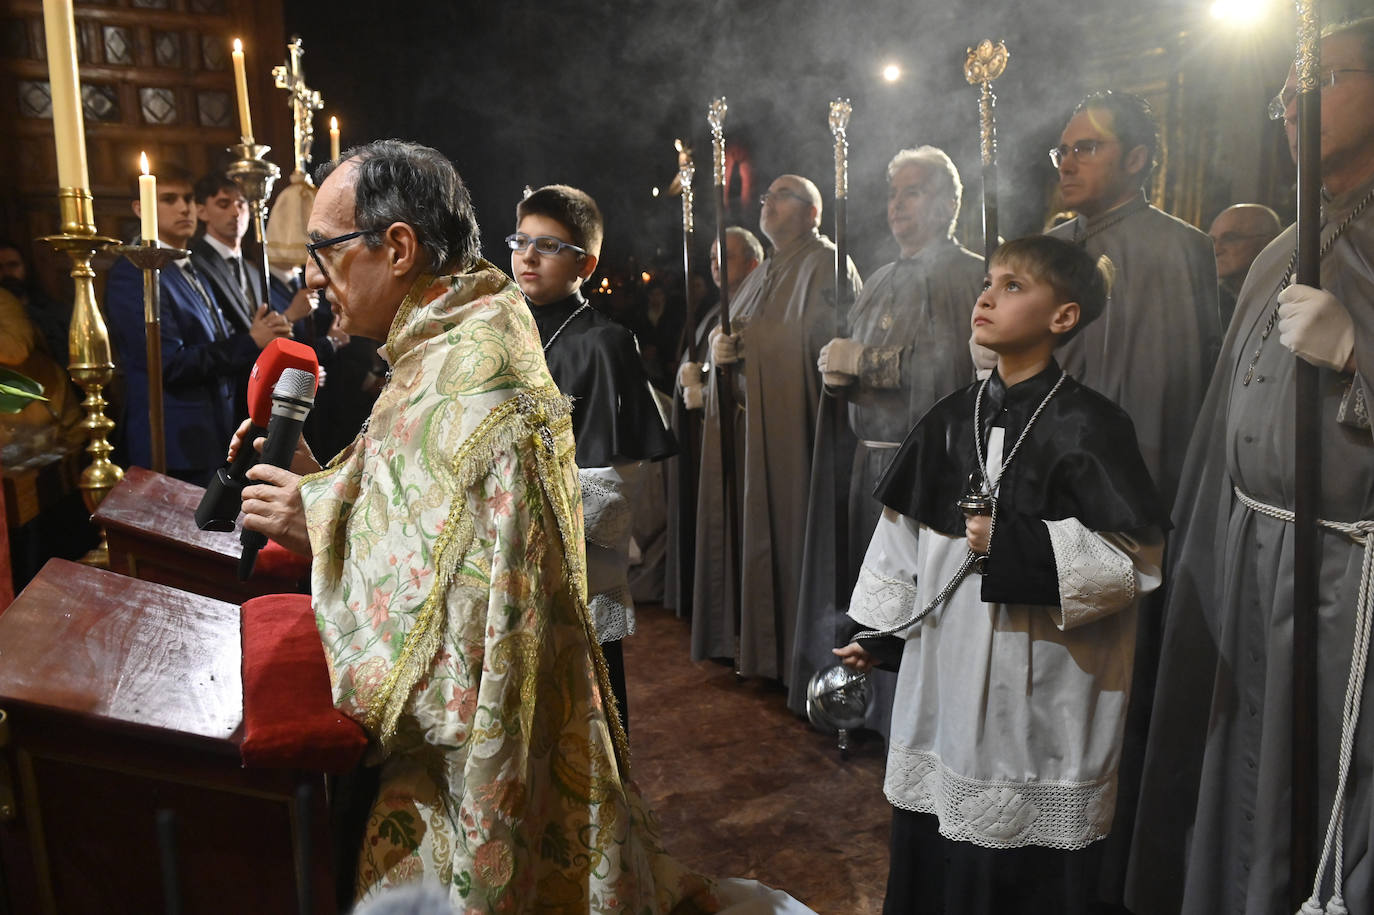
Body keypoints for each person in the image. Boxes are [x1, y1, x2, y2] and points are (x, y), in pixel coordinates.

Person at [234, 142, 717, 909]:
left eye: (323, 250)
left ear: (396, 247)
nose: (310, 277)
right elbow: (408, 499)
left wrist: (317, 522)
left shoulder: (476, 362)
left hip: (471, 765)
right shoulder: (444, 335)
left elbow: (464, 596)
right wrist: (312, 472)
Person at [837, 235, 1167, 913]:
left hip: (1040, 684)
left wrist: (1011, 544)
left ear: (1064, 317)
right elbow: (902, 541)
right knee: (934, 850)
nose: (987, 295)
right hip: (945, 681)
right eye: (989, 280)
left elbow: (1135, 560)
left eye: (1015, 286)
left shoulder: (1091, 426)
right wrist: (881, 634)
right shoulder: (950, 417)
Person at [1128, 18, 1374, 914]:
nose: (1294, 103)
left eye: (1327, 77)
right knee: (1245, 771)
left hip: (1352, 577)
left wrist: (1360, 353)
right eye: (1284, 89)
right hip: (1253, 551)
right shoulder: (1284, 245)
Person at [787, 146, 984, 732]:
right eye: (893, 193)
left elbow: (949, 372)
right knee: (871, 594)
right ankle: (864, 711)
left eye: (913, 192)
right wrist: (836, 373)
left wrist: (867, 363)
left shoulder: (965, 274)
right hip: (866, 464)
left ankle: (913, 720)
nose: (897, 205)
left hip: (927, 467)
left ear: (949, 202)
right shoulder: (877, 278)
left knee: (916, 597)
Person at [507, 183, 676, 733]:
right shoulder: (499, 330)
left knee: (585, 713)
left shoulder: (603, 342)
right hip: (502, 550)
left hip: (567, 554)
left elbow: (611, 475)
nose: (528, 257)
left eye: (549, 246)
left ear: (587, 262)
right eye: (521, 241)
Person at [690, 174, 861, 681]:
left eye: (781, 195)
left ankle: (797, 659)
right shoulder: (764, 272)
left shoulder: (826, 263)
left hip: (795, 434)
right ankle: (758, 651)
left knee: (793, 541)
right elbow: (736, 333)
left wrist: (751, 350)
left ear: (812, 211)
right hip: (749, 433)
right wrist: (717, 357)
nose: (767, 201)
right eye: (765, 196)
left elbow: (822, 348)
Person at [1047, 90, 1219, 508]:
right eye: (1062, 151)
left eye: (1086, 148)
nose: (1067, 164)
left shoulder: (1179, 248)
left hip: (1137, 477)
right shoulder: (1045, 250)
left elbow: (1182, 391)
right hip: (1043, 466)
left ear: (1135, 159)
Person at [106, 163, 290, 485]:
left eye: (189, 199)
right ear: (140, 208)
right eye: (169, 199)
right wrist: (250, 342)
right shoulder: (135, 273)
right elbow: (167, 365)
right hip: (173, 441)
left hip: (210, 433)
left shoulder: (186, 265)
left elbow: (212, 338)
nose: (184, 208)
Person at [667, 227, 762, 619]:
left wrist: (706, 394)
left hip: (739, 438)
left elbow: (750, 378)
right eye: (711, 258)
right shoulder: (713, 310)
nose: (716, 266)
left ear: (753, 263)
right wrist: (685, 379)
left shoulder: (754, 308)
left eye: (727, 257)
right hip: (709, 432)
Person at [1208, 203, 1282, 330]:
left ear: (1268, 243)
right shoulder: (1211, 300)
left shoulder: (1284, 300)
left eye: (1230, 238)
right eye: (1212, 240)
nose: (1216, 249)